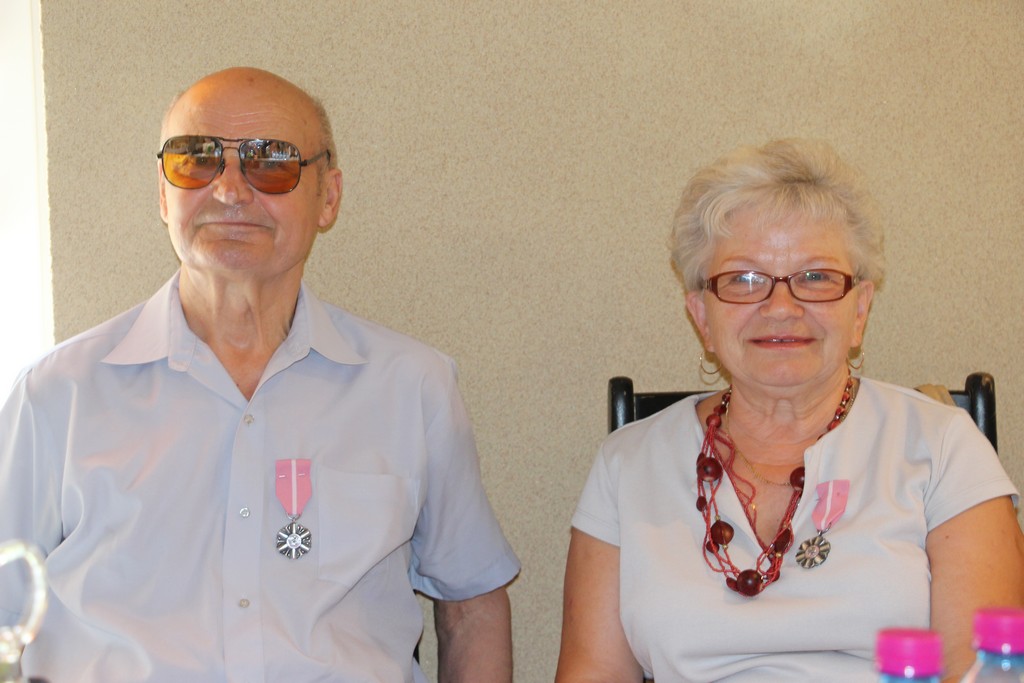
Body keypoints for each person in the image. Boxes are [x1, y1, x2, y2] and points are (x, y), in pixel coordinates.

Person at [0, 67, 519, 683]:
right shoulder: (57, 395)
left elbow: (471, 606)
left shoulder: (413, 388)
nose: (229, 190)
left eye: (270, 161)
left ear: (328, 197)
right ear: (163, 194)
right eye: (196, 160)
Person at [555, 139, 1024, 682]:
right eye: (744, 280)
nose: (781, 308)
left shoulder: (942, 446)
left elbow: (981, 671)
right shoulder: (627, 465)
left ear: (860, 309)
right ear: (702, 317)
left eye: (815, 277)